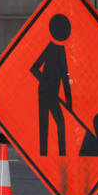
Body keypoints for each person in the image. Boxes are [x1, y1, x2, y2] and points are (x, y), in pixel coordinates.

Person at [30, 13, 71, 156]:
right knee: (47, 124)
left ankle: (62, 153)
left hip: (52, 93)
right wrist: (44, 81)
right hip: (44, 92)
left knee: (59, 121)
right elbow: (34, 68)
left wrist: (68, 100)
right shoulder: (51, 47)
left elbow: (65, 77)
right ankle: (46, 153)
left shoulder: (61, 49)